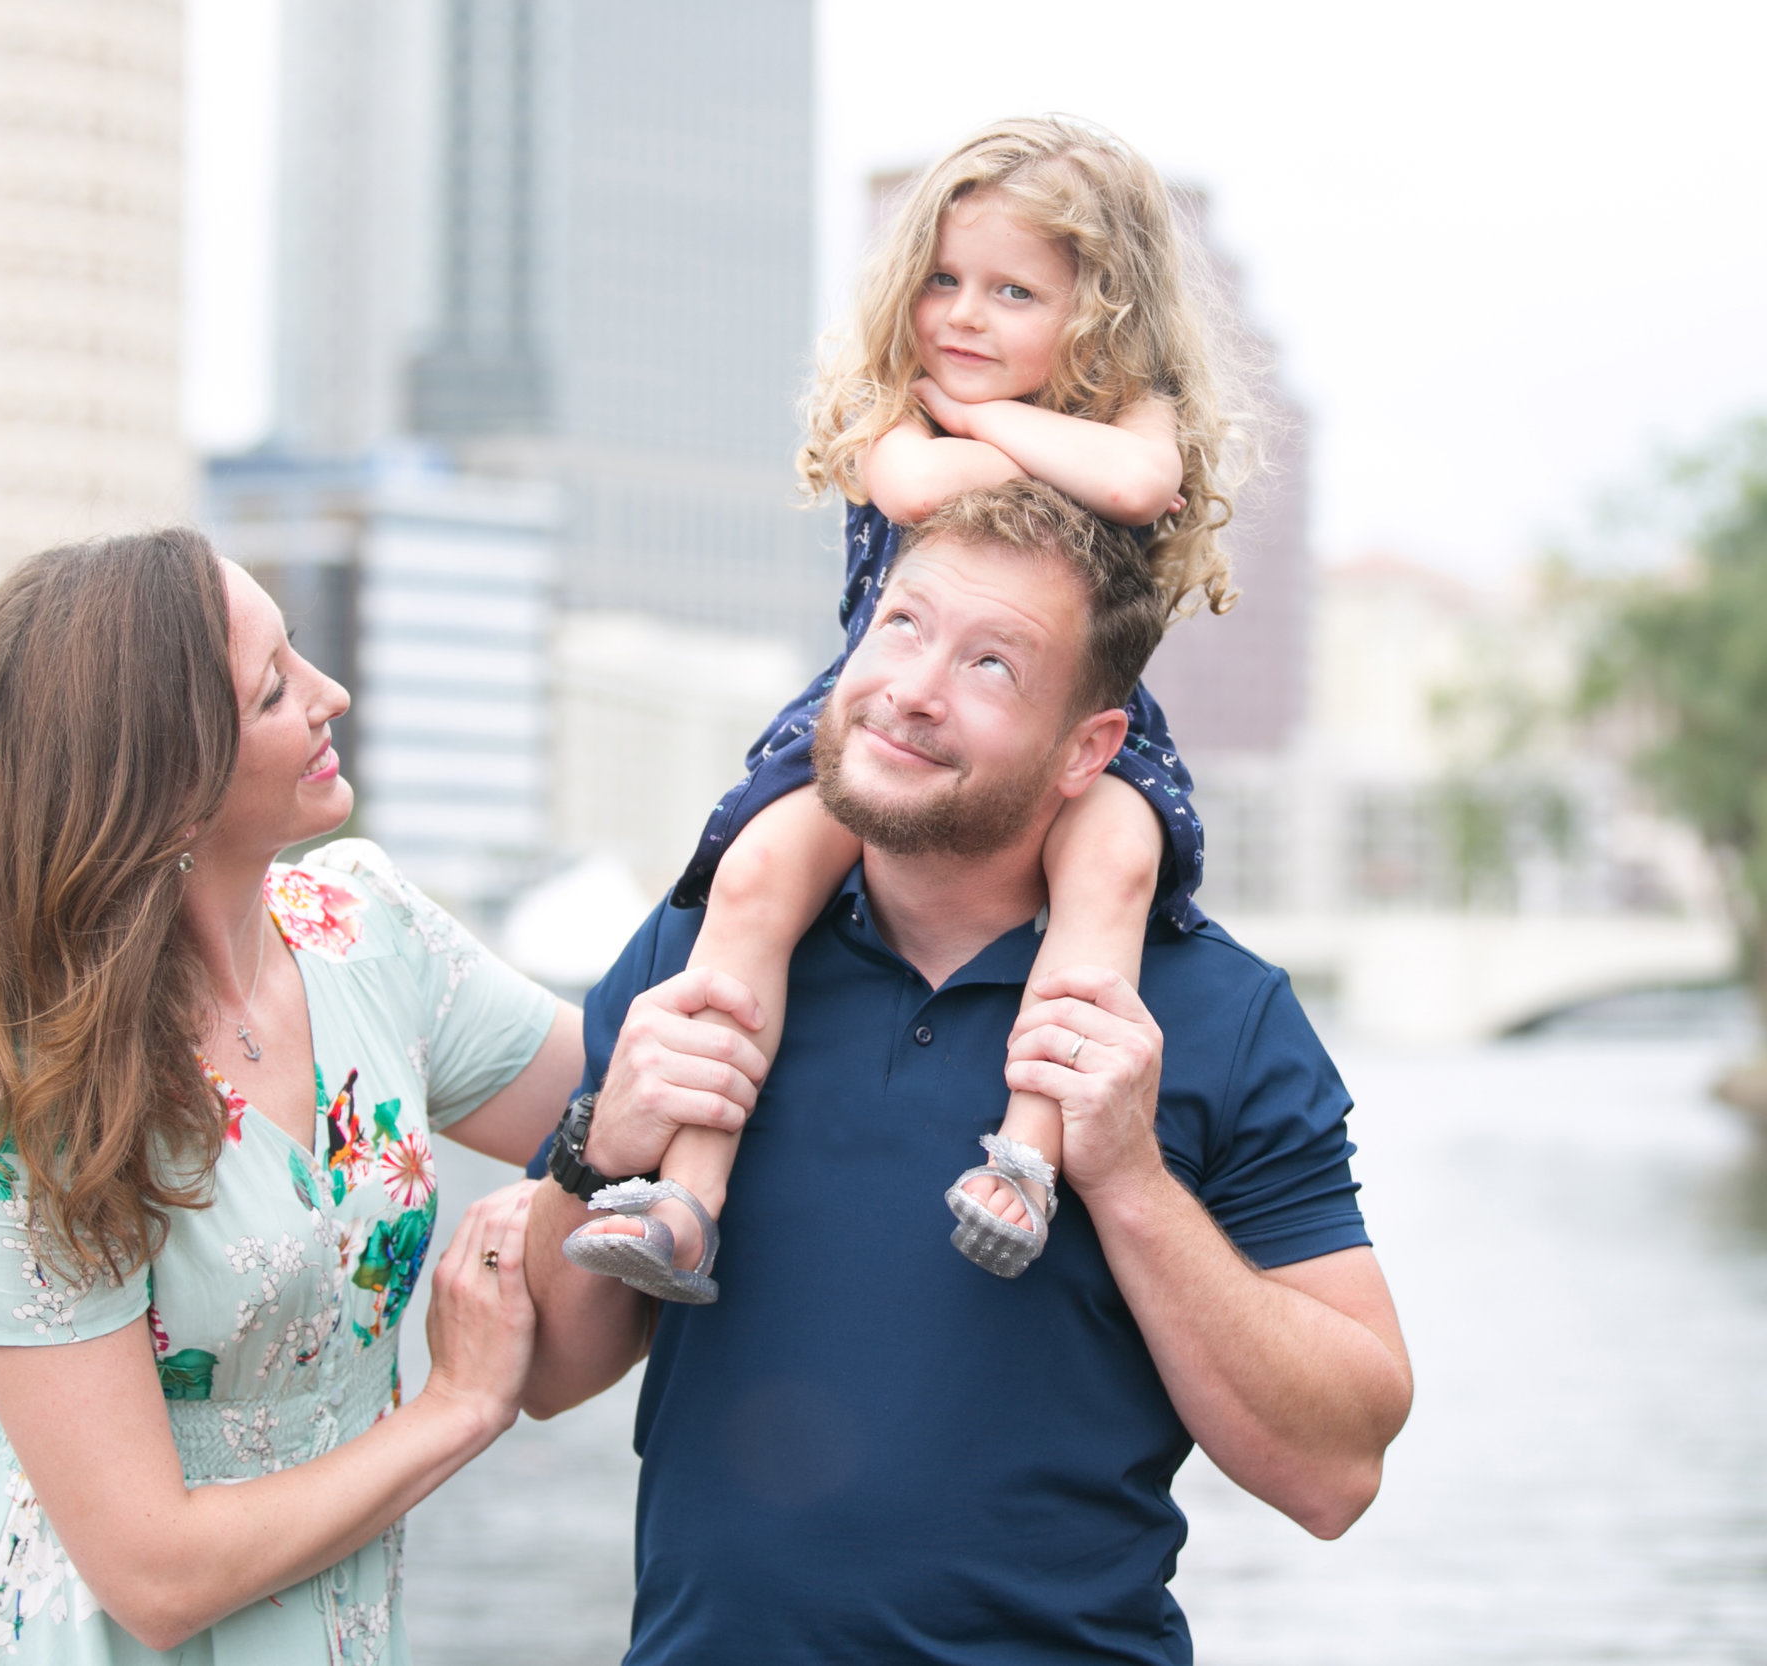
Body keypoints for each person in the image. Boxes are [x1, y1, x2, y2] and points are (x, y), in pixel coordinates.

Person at [523, 482, 1412, 1664]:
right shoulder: (701, 951)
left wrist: (1131, 1180)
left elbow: (1335, 1472)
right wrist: (603, 1138)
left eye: (992, 666)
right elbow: (545, 1369)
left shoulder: (1219, 1014)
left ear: (1088, 747)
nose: (912, 689)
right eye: (900, 625)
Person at [562, 115, 1251, 1301]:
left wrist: (986, 420)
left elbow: (1142, 480)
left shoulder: (1125, 414)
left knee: (1112, 878)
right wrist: (1018, 435)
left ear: (1098, 316)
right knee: (756, 880)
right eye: (941, 278)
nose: (963, 317)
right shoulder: (898, 407)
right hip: (879, 708)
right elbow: (917, 484)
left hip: (1088, 729)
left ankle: (1028, 1155)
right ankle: (688, 1188)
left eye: (1012, 291)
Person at [0, 529, 582, 1664]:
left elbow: (601, 1101)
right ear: (164, 787)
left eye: (297, 655)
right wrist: (459, 1404)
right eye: (273, 691)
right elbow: (155, 1574)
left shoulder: (364, 928)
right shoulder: (20, 1127)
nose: (329, 693)